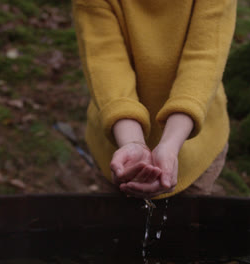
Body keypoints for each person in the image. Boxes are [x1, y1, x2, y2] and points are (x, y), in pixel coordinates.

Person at [72, 0, 236, 199]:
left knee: (183, 227)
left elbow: (204, 58)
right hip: (117, 143)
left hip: (195, 145)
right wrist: (132, 141)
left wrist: (171, 143)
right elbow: (106, 61)